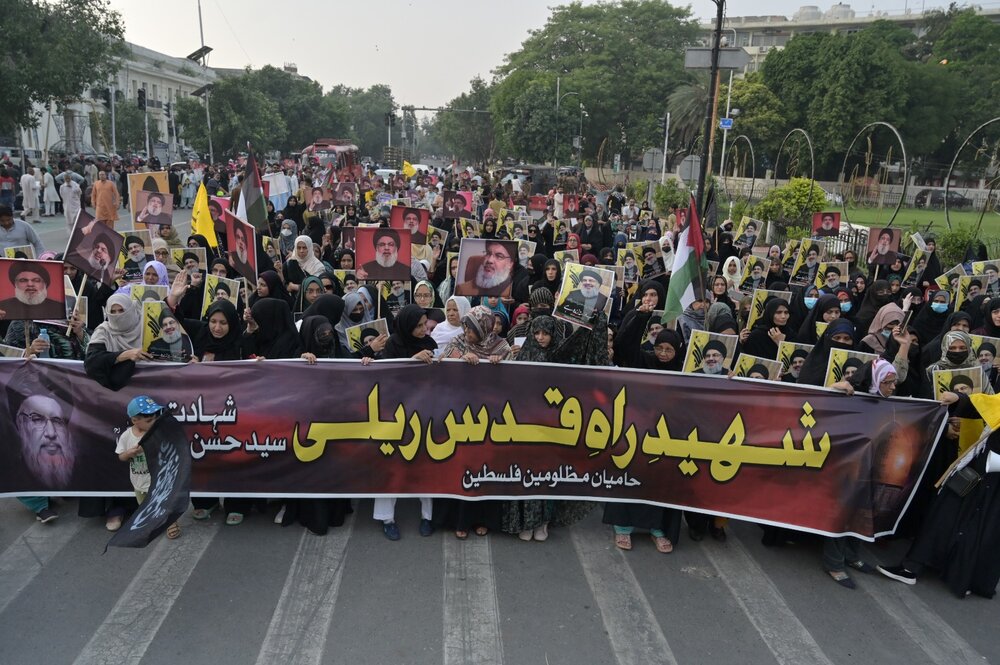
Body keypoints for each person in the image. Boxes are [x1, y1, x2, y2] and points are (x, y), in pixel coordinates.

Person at [877, 391, 1000, 597]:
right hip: (979, 471)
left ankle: (962, 576)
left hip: (991, 481)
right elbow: (988, 405)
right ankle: (915, 567)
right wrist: (959, 399)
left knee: (977, 527)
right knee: (946, 516)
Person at [371, 304, 436, 540]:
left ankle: (428, 516)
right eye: (418, 326)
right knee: (391, 467)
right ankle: (387, 519)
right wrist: (411, 360)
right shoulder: (393, 345)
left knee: (427, 466)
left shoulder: (430, 345)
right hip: (395, 415)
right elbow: (388, 376)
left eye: (425, 324)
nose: (423, 329)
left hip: (424, 416)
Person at [117, 396, 181, 540]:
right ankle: (153, 523)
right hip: (139, 482)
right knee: (145, 506)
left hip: (159, 480)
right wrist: (129, 453)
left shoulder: (157, 433)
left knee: (164, 502)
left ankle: (170, 522)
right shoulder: (126, 436)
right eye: (148, 421)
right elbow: (121, 456)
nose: (153, 422)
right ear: (134, 420)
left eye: (154, 418)